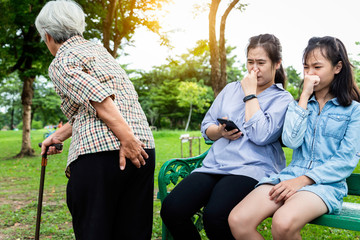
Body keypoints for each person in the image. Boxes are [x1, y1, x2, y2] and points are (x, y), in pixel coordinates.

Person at [35, 1, 155, 239]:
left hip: (104, 156)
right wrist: (59, 135)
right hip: (143, 151)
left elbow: (99, 98)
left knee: (94, 232)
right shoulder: (99, 51)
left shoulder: (62, 59)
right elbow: (97, 105)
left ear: (47, 35)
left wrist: (127, 139)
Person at [160, 34, 294, 240]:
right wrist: (220, 132)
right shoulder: (231, 89)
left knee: (215, 216)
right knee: (172, 209)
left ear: (277, 64)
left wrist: (250, 94)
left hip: (252, 168)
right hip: (216, 164)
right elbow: (207, 126)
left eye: (261, 63)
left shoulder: (282, 98)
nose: (253, 69)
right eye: (250, 62)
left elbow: (261, 136)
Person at [228, 36, 360, 240]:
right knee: (238, 219)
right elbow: (291, 141)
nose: (309, 73)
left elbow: (346, 160)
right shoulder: (298, 106)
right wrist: (305, 97)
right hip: (289, 177)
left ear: (337, 67)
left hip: (326, 185)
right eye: (306, 67)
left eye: (317, 67)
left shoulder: (354, 111)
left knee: (283, 223)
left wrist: (303, 181)